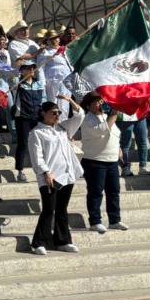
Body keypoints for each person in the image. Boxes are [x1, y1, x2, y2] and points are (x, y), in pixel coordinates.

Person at [29, 97, 84, 256]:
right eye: (53, 113)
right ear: (43, 114)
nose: (57, 115)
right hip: (50, 177)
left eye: (58, 112)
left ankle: (63, 241)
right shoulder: (36, 133)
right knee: (48, 210)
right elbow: (36, 156)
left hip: (67, 175)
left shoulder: (62, 128)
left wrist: (69, 100)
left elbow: (80, 116)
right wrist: (45, 172)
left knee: (62, 209)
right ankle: (38, 242)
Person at [78, 92, 126, 233]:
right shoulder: (87, 119)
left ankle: (114, 220)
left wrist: (118, 148)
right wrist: (114, 114)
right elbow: (103, 130)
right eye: (97, 102)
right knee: (96, 192)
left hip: (111, 160)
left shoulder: (107, 117)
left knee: (113, 191)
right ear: (88, 106)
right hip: (94, 160)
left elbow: (114, 134)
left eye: (101, 101)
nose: (100, 104)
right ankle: (95, 221)